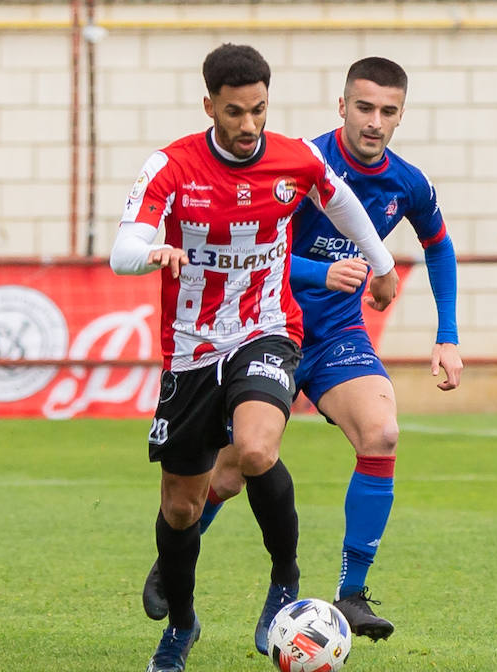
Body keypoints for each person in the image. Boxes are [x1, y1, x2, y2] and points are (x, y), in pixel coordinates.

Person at [141, 56, 462, 642]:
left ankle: (352, 593)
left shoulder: (407, 183)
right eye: (364, 108)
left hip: (337, 335)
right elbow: (252, 254)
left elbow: (439, 248)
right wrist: (322, 273)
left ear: (400, 117)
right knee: (237, 466)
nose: (374, 122)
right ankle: (175, 555)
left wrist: (447, 336)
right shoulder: (298, 161)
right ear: (342, 107)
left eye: (387, 112)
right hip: (262, 328)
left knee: (382, 433)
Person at [110, 43, 398, 672]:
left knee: (258, 449)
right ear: (209, 105)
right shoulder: (172, 165)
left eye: (259, 110)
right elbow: (122, 247)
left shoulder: (296, 157)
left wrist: (380, 264)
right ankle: (183, 625)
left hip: (266, 331)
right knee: (182, 507)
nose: (248, 126)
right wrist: (152, 253)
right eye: (235, 112)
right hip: (190, 348)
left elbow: (341, 200)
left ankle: (285, 580)